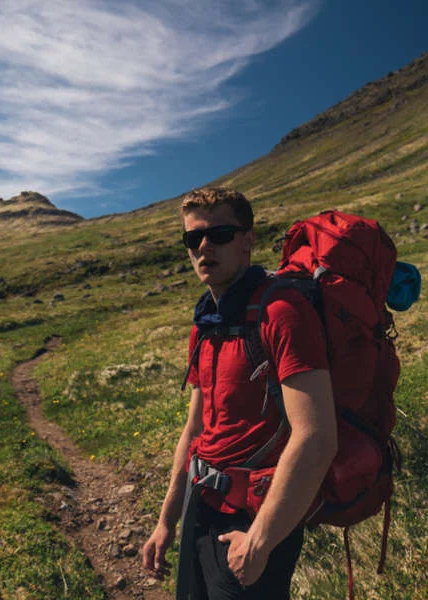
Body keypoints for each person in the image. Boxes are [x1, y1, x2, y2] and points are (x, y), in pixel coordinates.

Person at [141, 187, 338, 599]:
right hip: (203, 507)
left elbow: (317, 437)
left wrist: (261, 540)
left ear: (248, 240)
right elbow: (195, 429)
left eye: (220, 235)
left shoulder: (281, 313)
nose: (204, 247)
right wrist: (166, 522)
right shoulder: (206, 324)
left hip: (253, 520)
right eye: (193, 239)